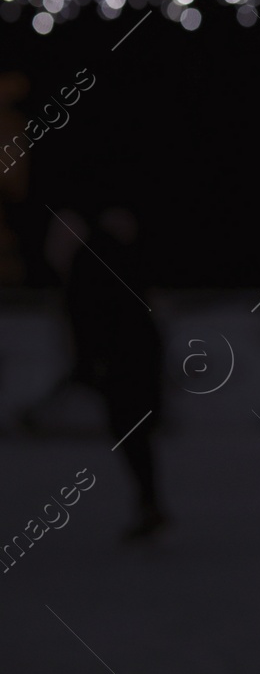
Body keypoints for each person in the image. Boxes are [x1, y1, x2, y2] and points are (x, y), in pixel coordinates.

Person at [36, 205, 169, 541]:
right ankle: (148, 503)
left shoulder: (88, 263)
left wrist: (90, 365)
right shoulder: (115, 258)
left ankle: (149, 503)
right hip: (137, 358)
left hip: (121, 362)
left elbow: (89, 320)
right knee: (133, 431)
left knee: (128, 429)